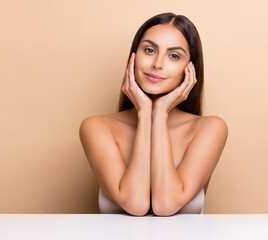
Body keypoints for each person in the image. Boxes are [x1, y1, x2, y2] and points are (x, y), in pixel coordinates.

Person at [79, 12, 228, 216]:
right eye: (149, 50)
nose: (157, 64)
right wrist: (145, 113)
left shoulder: (210, 129)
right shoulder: (96, 128)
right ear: (133, 56)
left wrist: (160, 113)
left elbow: (166, 204)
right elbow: (135, 203)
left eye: (174, 56)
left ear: (190, 69)